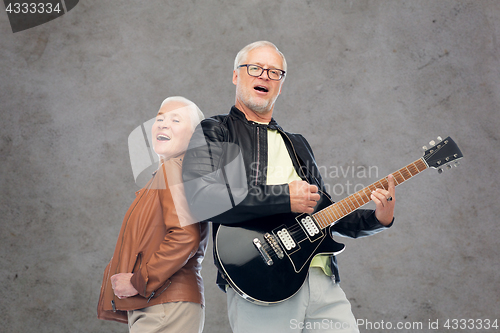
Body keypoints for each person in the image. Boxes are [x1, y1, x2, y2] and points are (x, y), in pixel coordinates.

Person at [182, 41, 396, 333]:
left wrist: (378, 218)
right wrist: (284, 198)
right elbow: (201, 199)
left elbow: (323, 211)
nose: (264, 77)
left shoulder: (297, 143)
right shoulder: (216, 130)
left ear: (281, 85)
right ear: (236, 75)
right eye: (255, 68)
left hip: (322, 281)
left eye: (274, 73)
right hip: (262, 280)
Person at [97, 96, 208, 333]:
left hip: (164, 305)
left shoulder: (173, 170)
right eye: (159, 118)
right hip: (160, 304)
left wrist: (139, 280)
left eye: (176, 120)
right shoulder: (169, 174)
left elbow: (184, 237)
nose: (163, 124)